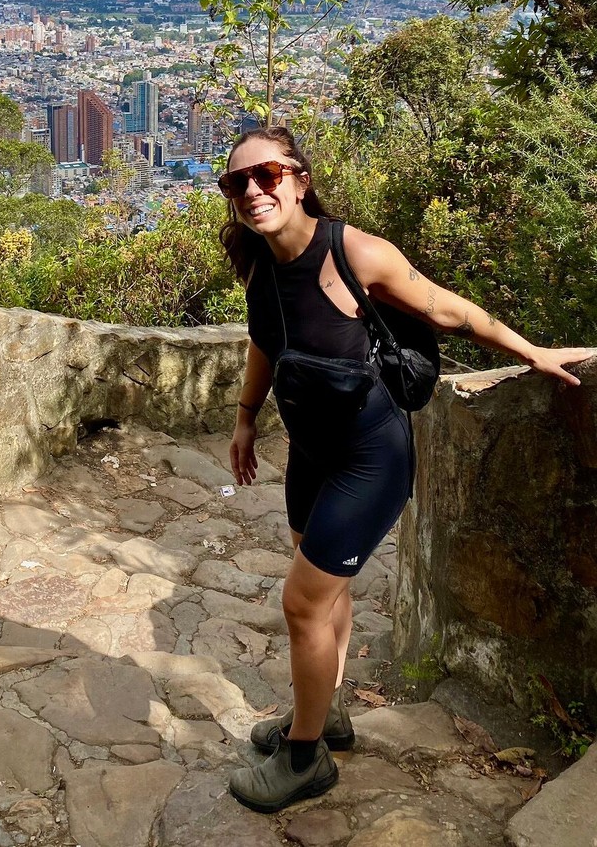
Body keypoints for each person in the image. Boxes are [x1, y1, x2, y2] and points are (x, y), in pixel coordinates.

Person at [220, 126, 593, 815]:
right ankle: (325, 711)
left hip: (371, 456)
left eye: (266, 174)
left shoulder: (354, 252)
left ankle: (305, 759)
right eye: (236, 181)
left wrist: (532, 350)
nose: (251, 190)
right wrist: (246, 417)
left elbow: (449, 310)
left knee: (302, 601)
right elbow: (265, 343)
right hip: (310, 451)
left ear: (299, 180)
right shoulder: (262, 264)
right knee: (325, 589)